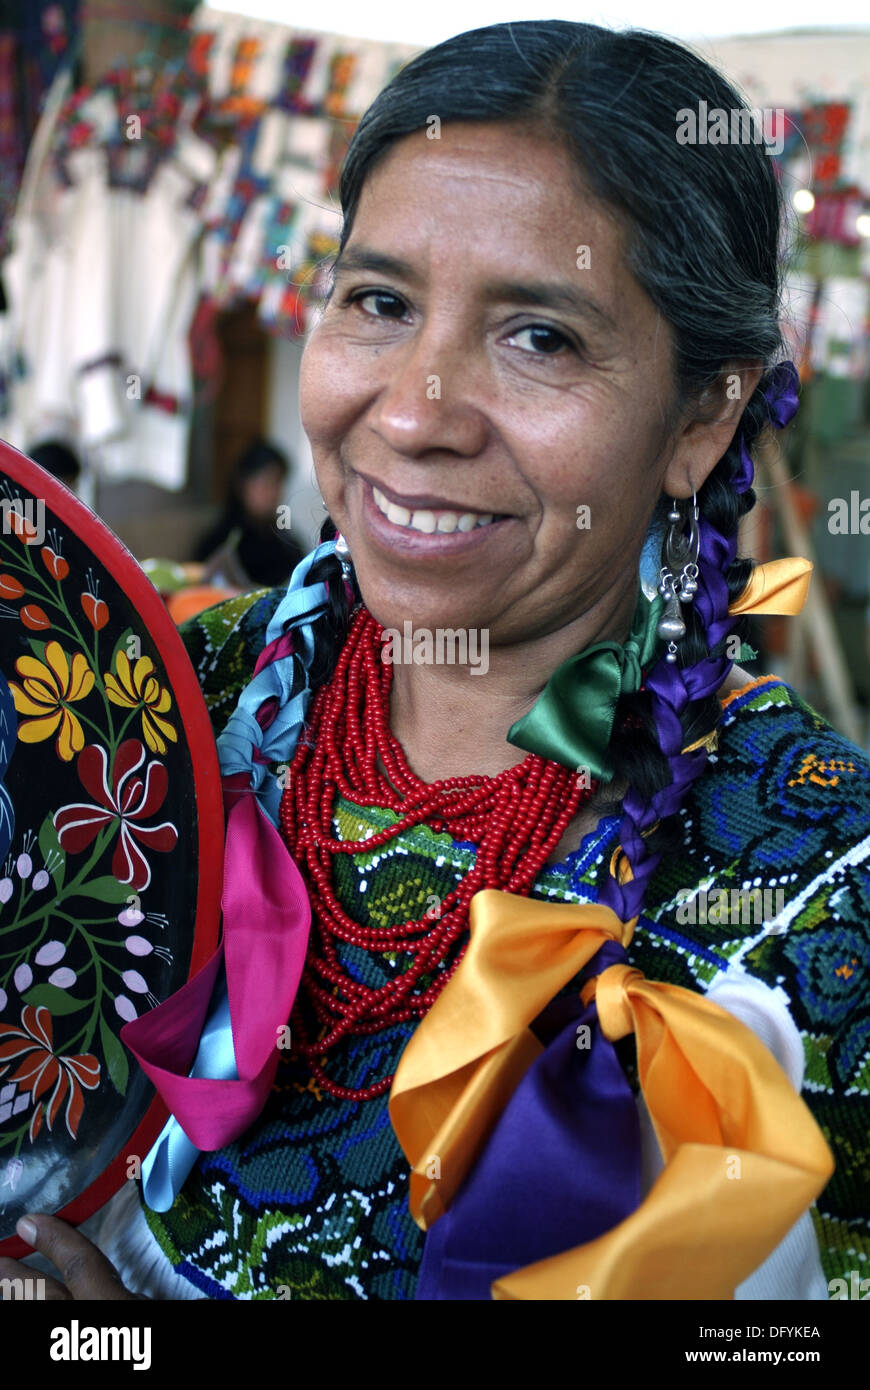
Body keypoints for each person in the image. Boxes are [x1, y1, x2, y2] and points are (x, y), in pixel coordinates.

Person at [2, 19, 868, 1302]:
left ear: (704, 414)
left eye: (542, 338)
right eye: (381, 302)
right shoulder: (162, 710)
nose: (412, 412)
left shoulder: (811, 873)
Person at [194, 437, 304, 589]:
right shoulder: (221, 543)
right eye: (265, 483)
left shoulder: (286, 542)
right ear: (243, 484)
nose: (273, 493)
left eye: (278, 482)